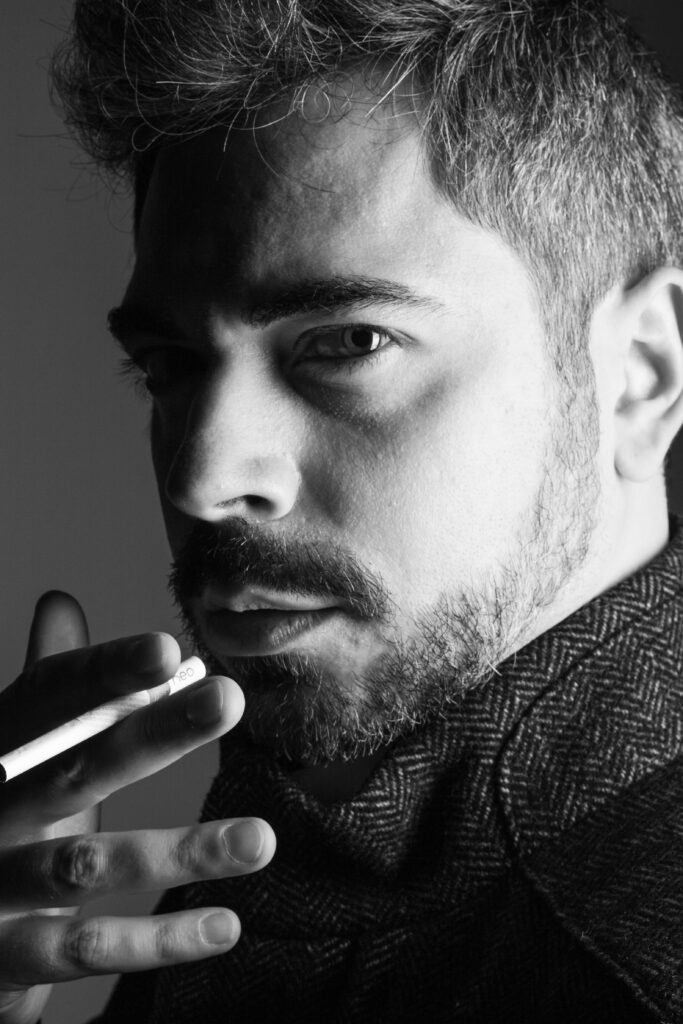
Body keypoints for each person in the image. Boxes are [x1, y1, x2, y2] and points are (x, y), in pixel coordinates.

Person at [1, 0, 683, 1021]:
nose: (200, 477)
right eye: (171, 364)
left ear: (638, 374)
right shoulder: (300, 849)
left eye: (348, 342)